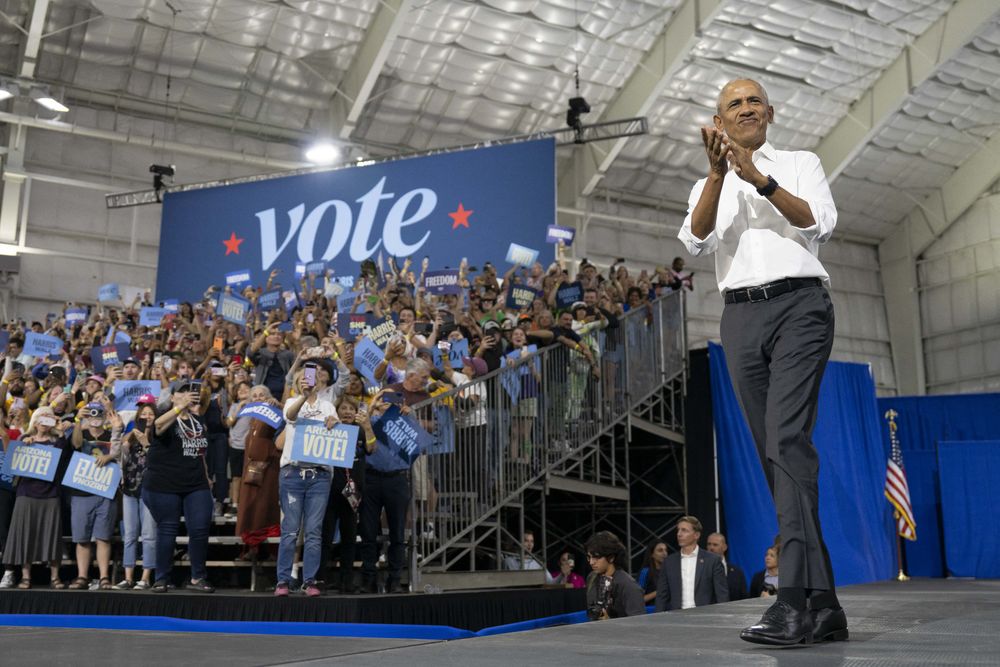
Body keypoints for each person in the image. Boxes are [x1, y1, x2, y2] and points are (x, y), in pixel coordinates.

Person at [678, 78, 846, 645]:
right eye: (734, 105)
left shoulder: (801, 162)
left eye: (754, 101)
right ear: (719, 123)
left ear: (770, 113)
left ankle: (793, 601)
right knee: (776, 458)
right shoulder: (711, 181)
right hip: (740, 318)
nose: (746, 109)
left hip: (800, 307)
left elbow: (818, 222)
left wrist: (761, 179)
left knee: (787, 442)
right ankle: (825, 605)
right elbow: (696, 238)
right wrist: (724, 174)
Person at [360, 358, 433, 594]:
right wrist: (372, 408)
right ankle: (368, 579)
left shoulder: (405, 424)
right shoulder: (371, 420)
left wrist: (409, 417)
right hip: (371, 479)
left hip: (397, 479)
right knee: (369, 533)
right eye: (383, 399)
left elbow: (420, 441)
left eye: (390, 400)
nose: (386, 403)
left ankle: (394, 580)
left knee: (398, 534)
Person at [142, 381, 215, 593]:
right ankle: (162, 578)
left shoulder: (198, 421)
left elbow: (200, 451)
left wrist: (207, 474)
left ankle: (197, 577)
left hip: (195, 482)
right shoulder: (166, 418)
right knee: (168, 529)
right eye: (181, 392)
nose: (186, 395)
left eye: (189, 392)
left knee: (200, 529)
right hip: (164, 483)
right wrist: (180, 408)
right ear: (172, 397)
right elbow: (157, 426)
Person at [275, 368, 339, 597]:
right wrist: (303, 395)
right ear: (296, 382)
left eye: (311, 378)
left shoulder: (328, 406)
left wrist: (334, 422)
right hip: (293, 473)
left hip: (319, 475)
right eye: (302, 378)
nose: (307, 381)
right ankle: (282, 581)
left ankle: (309, 580)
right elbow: (291, 416)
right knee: (290, 530)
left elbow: (336, 432)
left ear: (321, 382)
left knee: (314, 531)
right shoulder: (292, 401)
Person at [0, 407, 73, 589]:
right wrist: (24, 443)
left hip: (50, 494)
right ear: (35, 420)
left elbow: (64, 456)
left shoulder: (58, 441)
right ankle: (26, 577)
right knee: (26, 534)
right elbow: (13, 461)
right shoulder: (24, 439)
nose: (44, 420)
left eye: (49, 417)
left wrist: (61, 431)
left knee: (52, 535)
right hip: (26, 493)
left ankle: (55, 577)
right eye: (42, 416)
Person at [115, 398, 158, 590]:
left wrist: (145, 441)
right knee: (130, 535)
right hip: (129, 489)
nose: (147, 417)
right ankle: (128, 576)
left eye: (151, 414)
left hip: (150, 490)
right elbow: (117, 454)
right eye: (143, 414)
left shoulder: (159, 436)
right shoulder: (130, 437)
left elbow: (160, 461)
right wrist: (121, 433)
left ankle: (146, 577)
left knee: (148, 535)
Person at [654, 516, 728, 612]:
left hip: (705, 619)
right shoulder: (669, 562)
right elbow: (661, 597)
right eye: (678, 530)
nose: (679, 534)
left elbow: (721, 595)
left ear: (696, 535)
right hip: (676, 619)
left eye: (684, 530)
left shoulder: (712, 561)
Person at [584, 531, 644, 620]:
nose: (591, 562)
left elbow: (639, 625)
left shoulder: (629, 586)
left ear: (611, 557)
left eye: (596, 557)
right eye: (589, 557)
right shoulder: (591, 578)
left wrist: (610, 623)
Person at [706, 532, 748, 601]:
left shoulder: (737, 573)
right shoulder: (701, 570)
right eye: (709, 544)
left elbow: (744, 598)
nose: (711, 548)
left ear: (724, 547)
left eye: (715, 545)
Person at [636, 540, 667, 604]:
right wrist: (659, 592)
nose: (664, 553)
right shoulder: (645, 572)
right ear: (652, 554)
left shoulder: (668, 572)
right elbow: (638, 599)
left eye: (665, 550)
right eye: (660, 550)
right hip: (651, 612)